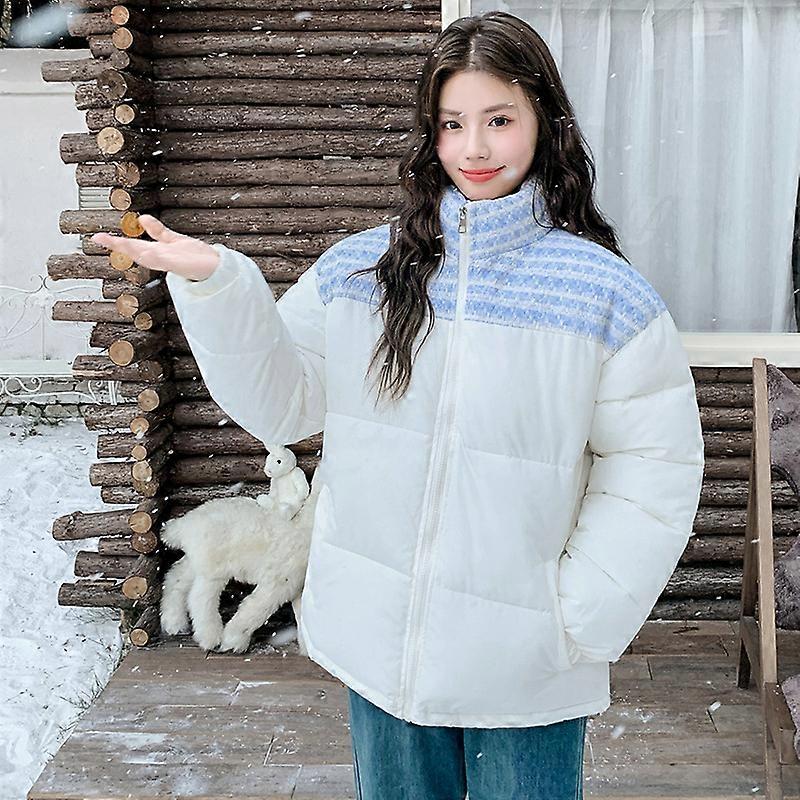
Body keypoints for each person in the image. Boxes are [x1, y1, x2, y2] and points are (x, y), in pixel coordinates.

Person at [90, 11, 705, 800]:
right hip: (382, 647)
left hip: (525, 660)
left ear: (543, 122)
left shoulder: (604, 294)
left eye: (498, 120)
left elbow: (654, 467)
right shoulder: (362, 272)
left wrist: (579, 617)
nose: (474, 148)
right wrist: (221, 288)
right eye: (452, 123)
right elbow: (285, 405)